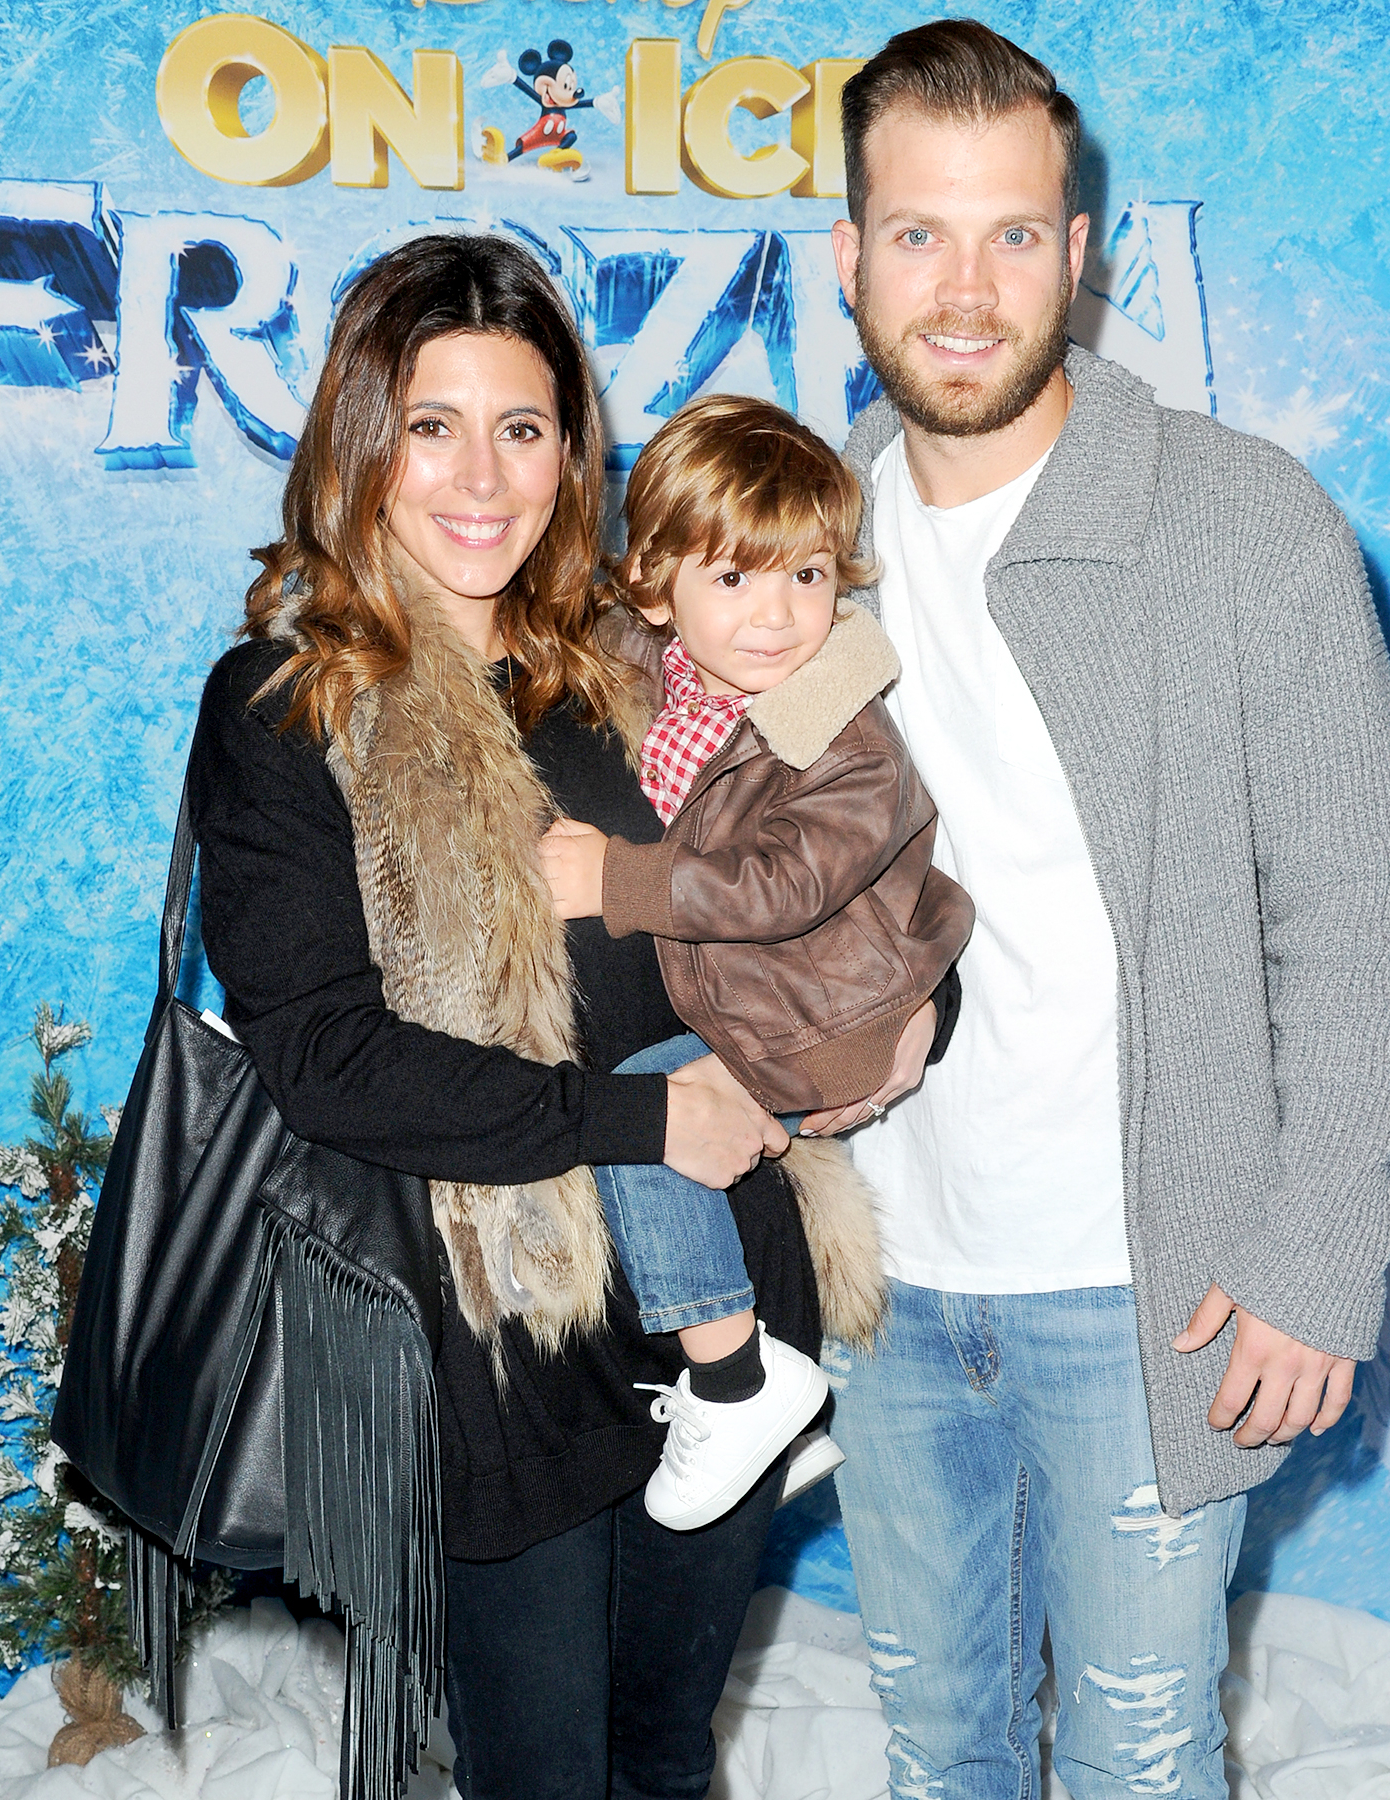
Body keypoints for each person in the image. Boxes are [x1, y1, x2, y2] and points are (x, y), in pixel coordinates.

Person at [183, 234, 906, 1800]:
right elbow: (325, 1059)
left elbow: (842, 861)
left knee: (661, 1755)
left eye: (520, 427)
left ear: (571, 451)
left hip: (726, 1304)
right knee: (543, 1771)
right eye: (431, 426)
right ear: (361, 442)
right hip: (495, 1328)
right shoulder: (290, 705)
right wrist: (645, 1120)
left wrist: (916, 1015)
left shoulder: (638, 668)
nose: (480, 477)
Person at [823, 21, 1390, 1800]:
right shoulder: (808, 535)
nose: (964, 288)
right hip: (887, 1285)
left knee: (1141, 1765)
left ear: (1077, 252)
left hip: (1142, 1291)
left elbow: (1358, 927)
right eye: (919, 234)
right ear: (849, 257)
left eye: (1011, 233)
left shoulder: (1243, 524)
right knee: (936, 1752)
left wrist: (1315, 1254)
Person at [540, 395, 973, 1532]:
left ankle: (737, 1382)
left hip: (826, 1018)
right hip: (760, 999)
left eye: (809, 577)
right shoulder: (657, 664)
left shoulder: (845, 735)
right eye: (734, 578)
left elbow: (783, 885)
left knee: (648, 1116)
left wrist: (618, 882)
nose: (777, 616)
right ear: (657, 589)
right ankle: (786, 1430)